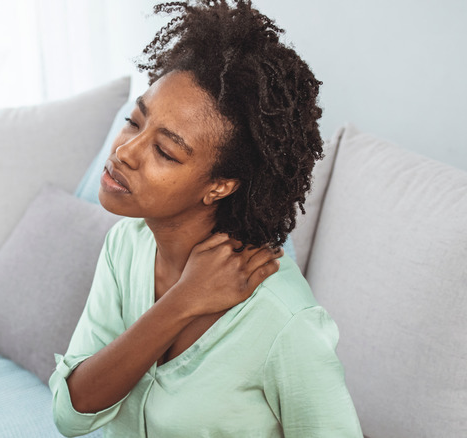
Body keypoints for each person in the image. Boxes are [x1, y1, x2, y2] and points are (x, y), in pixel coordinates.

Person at [48, 1, 363, 436]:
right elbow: (72, 412)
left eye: (165, 151)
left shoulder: (282, 317)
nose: (125, 152)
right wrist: (182, 302)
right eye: (134, 122)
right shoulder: (126, 246)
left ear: (220, 185)